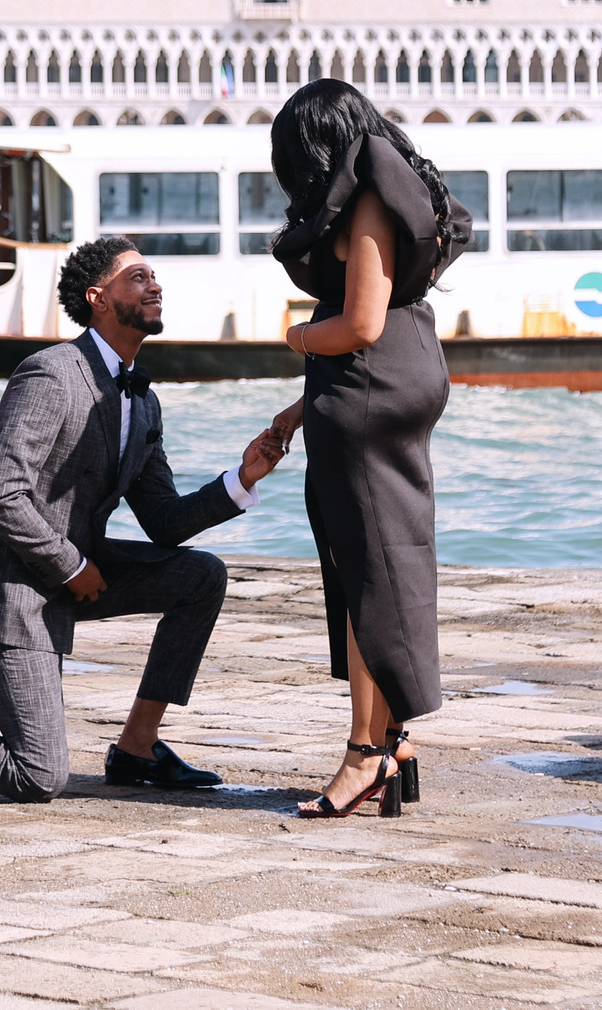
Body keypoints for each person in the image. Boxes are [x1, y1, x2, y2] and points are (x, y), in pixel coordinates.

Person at [0, 236, 287, 803]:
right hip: (10, 584)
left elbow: (164, 522)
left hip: (75, 572)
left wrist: (242, 479)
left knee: (201, 576)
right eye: (138, 276)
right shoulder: (51, 374)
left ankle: (138, 747)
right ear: (99, 298)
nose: (155, 284)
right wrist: (70, 566)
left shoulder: (142, 401)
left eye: (154, 276)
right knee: (39, 776)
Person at [253, 80, 471, 820]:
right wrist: (299, 408)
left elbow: (361, 325)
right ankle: (391, 740)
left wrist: (296, 338)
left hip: (373, 390)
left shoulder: (371, 197)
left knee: (366, 579)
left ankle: (363, 754)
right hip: (391, 383)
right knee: (384, 566)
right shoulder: (390, 185)